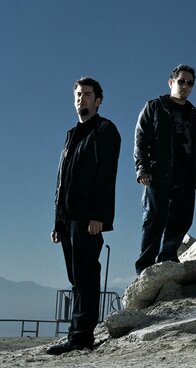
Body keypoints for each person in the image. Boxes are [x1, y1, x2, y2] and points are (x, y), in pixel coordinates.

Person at [47, 77, 121, 355]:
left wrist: (98, 216)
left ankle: (81, 336)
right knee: (75, 277)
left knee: (86, 274)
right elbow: (62, 181)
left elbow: (106, 176)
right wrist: (57, 220)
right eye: (78, 94)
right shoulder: (71, 134)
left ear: (98, 100)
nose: (82, 98)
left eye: (87, 94)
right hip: (67, 217)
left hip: (89, 217)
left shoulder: (105, 130)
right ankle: (77, 333)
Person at [134, 64, 196, 275]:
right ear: (171, 83)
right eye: (181, 81)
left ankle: (168, 256)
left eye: (189, 83)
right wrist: (142, 168)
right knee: (153, 220)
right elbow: (141, 139)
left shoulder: (194, 115)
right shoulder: (155, 107)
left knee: (182, 219)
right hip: (159, 175)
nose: (185, 86)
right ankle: (145, 268)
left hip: (186, 176)